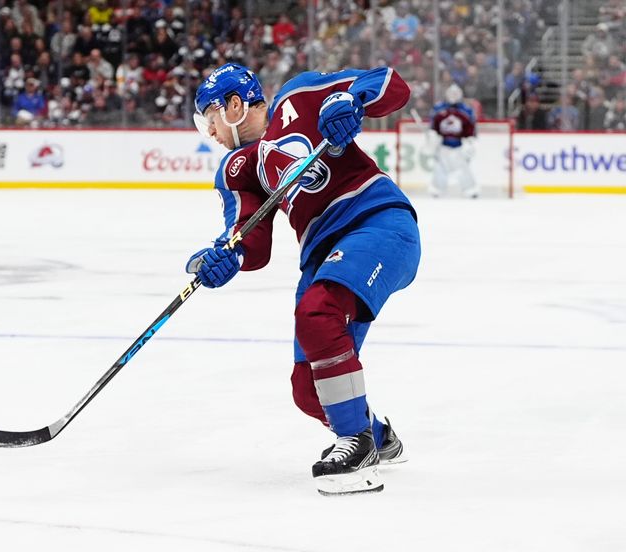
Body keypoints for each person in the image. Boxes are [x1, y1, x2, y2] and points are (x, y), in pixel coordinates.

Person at [187, 63, 420, 495]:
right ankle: (381, 439)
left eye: (211, 118)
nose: (212, 132)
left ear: (234, 106)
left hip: (378, 224)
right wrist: (227, 255)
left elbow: (390, 83)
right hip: (322, 254)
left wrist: (352, 101)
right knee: (309, 391)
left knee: (319, 311)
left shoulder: (300, 95)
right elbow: (250, 242)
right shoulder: (238, 168)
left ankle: (358, 449)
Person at [428, 83, 479, 198]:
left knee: (464, 168)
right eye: (451, 93)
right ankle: (437, 189)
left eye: (456, 94)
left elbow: (471, 129)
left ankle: (470, 189)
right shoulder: (439, 108)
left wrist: (470, 142)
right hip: (443, 145)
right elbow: (433, 127)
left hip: (459, 145)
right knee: (440, 168)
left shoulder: (466, 110)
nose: (453, 96)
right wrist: (433, 139)